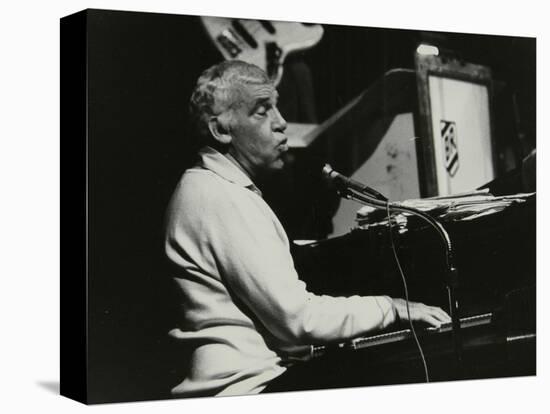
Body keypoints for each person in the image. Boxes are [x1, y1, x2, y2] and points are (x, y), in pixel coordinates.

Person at [164, 60, 451, 398]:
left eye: (276, 106)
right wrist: (391, 307)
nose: (281, 122)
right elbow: (299, 320)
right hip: (248, 389)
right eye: (261, 111)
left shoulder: (219, 188)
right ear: (221, 130)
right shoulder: (217, 196)